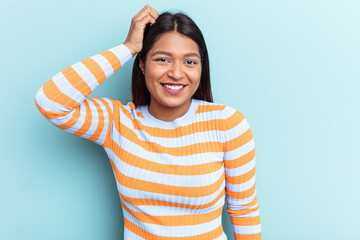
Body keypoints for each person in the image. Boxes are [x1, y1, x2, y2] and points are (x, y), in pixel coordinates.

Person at [34, 5, 262, 240]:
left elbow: (244, 210)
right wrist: (129, 48)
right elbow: (50, 101)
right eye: (163, 59)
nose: (176, 73)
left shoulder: (228, 124)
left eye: (190, 62)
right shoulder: (118, 123)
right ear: (142, 63)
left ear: (202, 68)